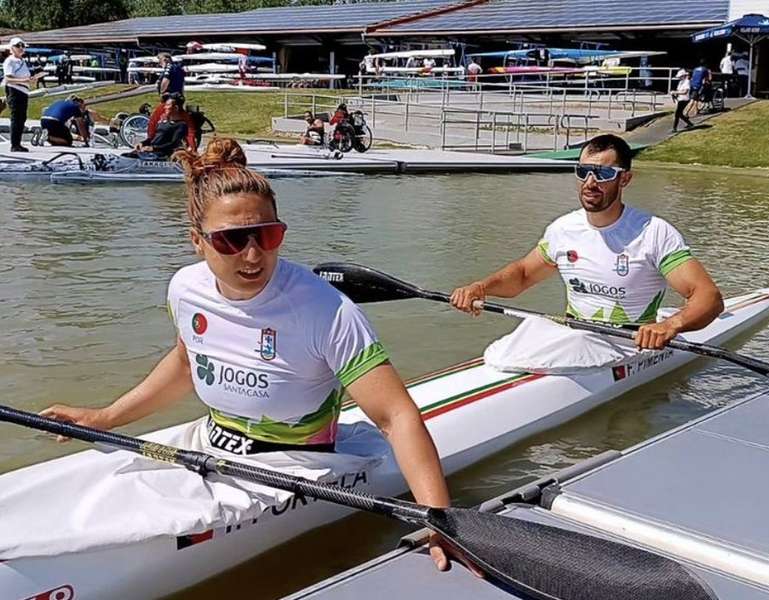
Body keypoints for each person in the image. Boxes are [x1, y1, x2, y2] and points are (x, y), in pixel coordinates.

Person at [40, 137, 468, 572]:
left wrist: (438, 518)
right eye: (231, 240)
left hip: (299, 467)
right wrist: (104, 418)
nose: (252, 254)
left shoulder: (327, 310)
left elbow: (396, 417)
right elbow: (188, 364)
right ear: (197, 241)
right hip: (209, 443)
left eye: (266, 235)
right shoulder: (185, 289)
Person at [450, 134, 723, 355]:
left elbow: (709, 298)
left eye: (603, 173)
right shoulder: (563, 229)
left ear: (624, 178)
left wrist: (670, 326)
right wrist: (480, 288)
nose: (590, 183)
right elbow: (522, 275)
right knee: (512, 342)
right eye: (584, 171)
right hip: (574, 339)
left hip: (629, 346)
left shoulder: (653, 232)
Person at [2, 37, 43, 152]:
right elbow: (8, 79)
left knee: (22, 117)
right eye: (18, 46)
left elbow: (23, 77)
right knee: (16, 117)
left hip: (23, 91)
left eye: (22, 46)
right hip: (14, 90)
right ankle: (15, 144)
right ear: (11, 48)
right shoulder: (10, 61)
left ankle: (17, 143)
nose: (21, 48)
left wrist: (32, 79)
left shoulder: (22, 61)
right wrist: (24, 80)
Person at [671, 69, 694, 133]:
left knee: (677, 113)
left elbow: (685, 92)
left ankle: (674, 128)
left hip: (685, 99)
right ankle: (690, 124)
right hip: (680, 99)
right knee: (680, 114)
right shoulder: (681, 82)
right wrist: (675, 94)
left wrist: (675, 92)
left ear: (683, 76)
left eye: (680, 76)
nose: (679, 78)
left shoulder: (687, 82)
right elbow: (679, 91)